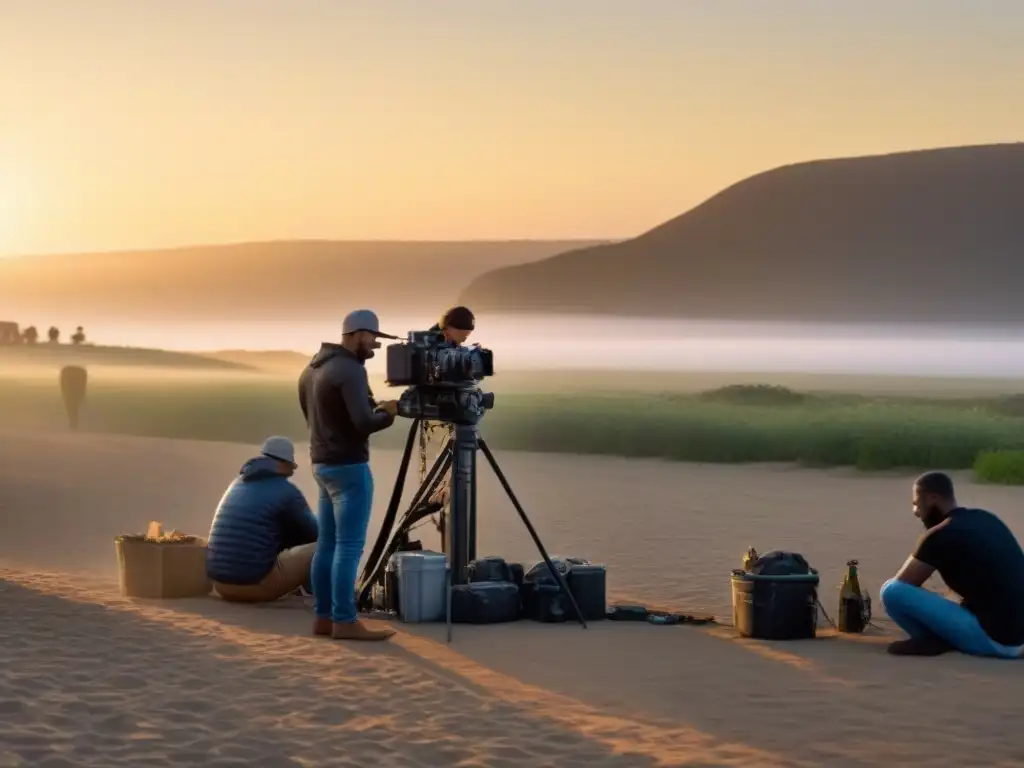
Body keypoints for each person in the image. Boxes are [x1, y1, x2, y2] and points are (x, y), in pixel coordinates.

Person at [299, 309, 400, 641]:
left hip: (321, 464)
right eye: (373, 338)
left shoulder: (311, 369)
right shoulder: (350, 371)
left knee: (326, 543)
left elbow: (312, 417)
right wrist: (389, 413)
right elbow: (363, 424)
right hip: (349, 468)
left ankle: (323, 617)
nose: (375, 345)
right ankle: (345, 620)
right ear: (358, 334)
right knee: (349, 546)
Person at [879, 471, 1024, 657]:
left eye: (916, 504)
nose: (915, 512)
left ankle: (932, 640)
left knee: (891, 591)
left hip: (998, 642)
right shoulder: (986, 518)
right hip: (1019, 635)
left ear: (932, 498)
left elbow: (904, 585)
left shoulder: (941, 533)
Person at [206, 436, 319, 603]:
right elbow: (314, 533)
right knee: (325, 547)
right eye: (292, 467)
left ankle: (304, 591)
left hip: (220, 586)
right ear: (286, 464)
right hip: (255, 586)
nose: (293, 472)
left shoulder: (236, 484)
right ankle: (316, 597)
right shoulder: (287, 492)